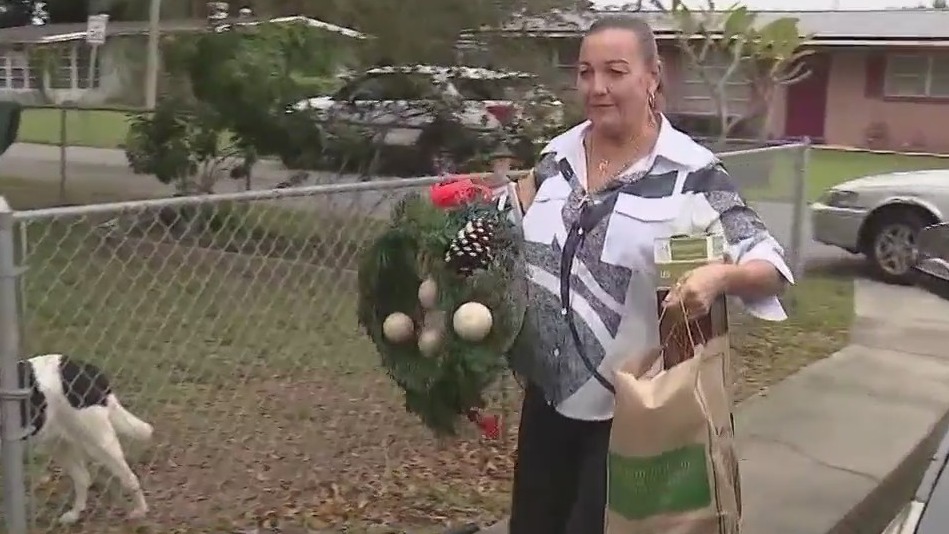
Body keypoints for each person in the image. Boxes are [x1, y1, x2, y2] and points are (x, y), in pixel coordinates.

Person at [506, 14, 792, 534]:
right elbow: (508, 220)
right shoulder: (558, 157)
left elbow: (768, 262)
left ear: (652, 76)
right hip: (547, 400)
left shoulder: (691, 174)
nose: (597, 87)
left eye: (615, 72)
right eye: (586, 72)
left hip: (631, 414)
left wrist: (718, 279)